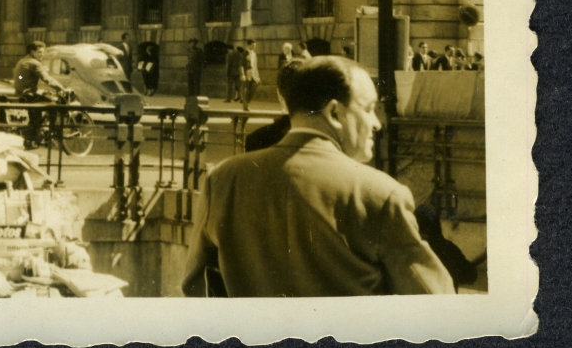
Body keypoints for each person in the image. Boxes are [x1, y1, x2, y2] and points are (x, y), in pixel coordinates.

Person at [182, 56, 454, 297]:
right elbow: (434, 299)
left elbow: (194, 287)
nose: (377, 123)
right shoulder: (380, 194)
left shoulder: (222, 180)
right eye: (369, 108)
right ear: (335, 112)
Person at [12, 40, 65, 145]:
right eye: (40, 52)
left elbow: (20, 76)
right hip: (29, 94)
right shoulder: (34, 63)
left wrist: (25, 81)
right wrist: (62, 88)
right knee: (53, 105)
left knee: (37, 112)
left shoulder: (22, 61)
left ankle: (36, 134)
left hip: (22, 93)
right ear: (32, 52)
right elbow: (47, 79)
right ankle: (51, 135)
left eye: (43, 52)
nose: (42, 55)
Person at [240, 39, 260, 112]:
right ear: (248, 45)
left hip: (253, 73)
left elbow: (255, 65)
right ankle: (245, 106)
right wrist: (242, 74)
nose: (254, 47)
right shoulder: (244, 53)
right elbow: (241, 65)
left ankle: (247, 102)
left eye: (255, 45)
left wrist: (257, 75)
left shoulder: (254, 54)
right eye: (252, 45)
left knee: (254, 88)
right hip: (247, 73)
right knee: (246, 90)